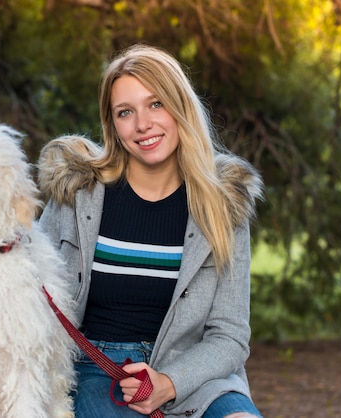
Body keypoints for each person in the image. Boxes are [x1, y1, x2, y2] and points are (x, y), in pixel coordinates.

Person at [37, 44, 264, 418]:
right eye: (125, 112)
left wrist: (170, 382)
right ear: (112, 125)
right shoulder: (76, 195)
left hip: (193, 373)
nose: (143, 124)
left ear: (181, 108)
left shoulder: (222, 206)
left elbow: (230, 336)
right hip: (96, 371)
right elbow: (32, 293)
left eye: (156, 104)